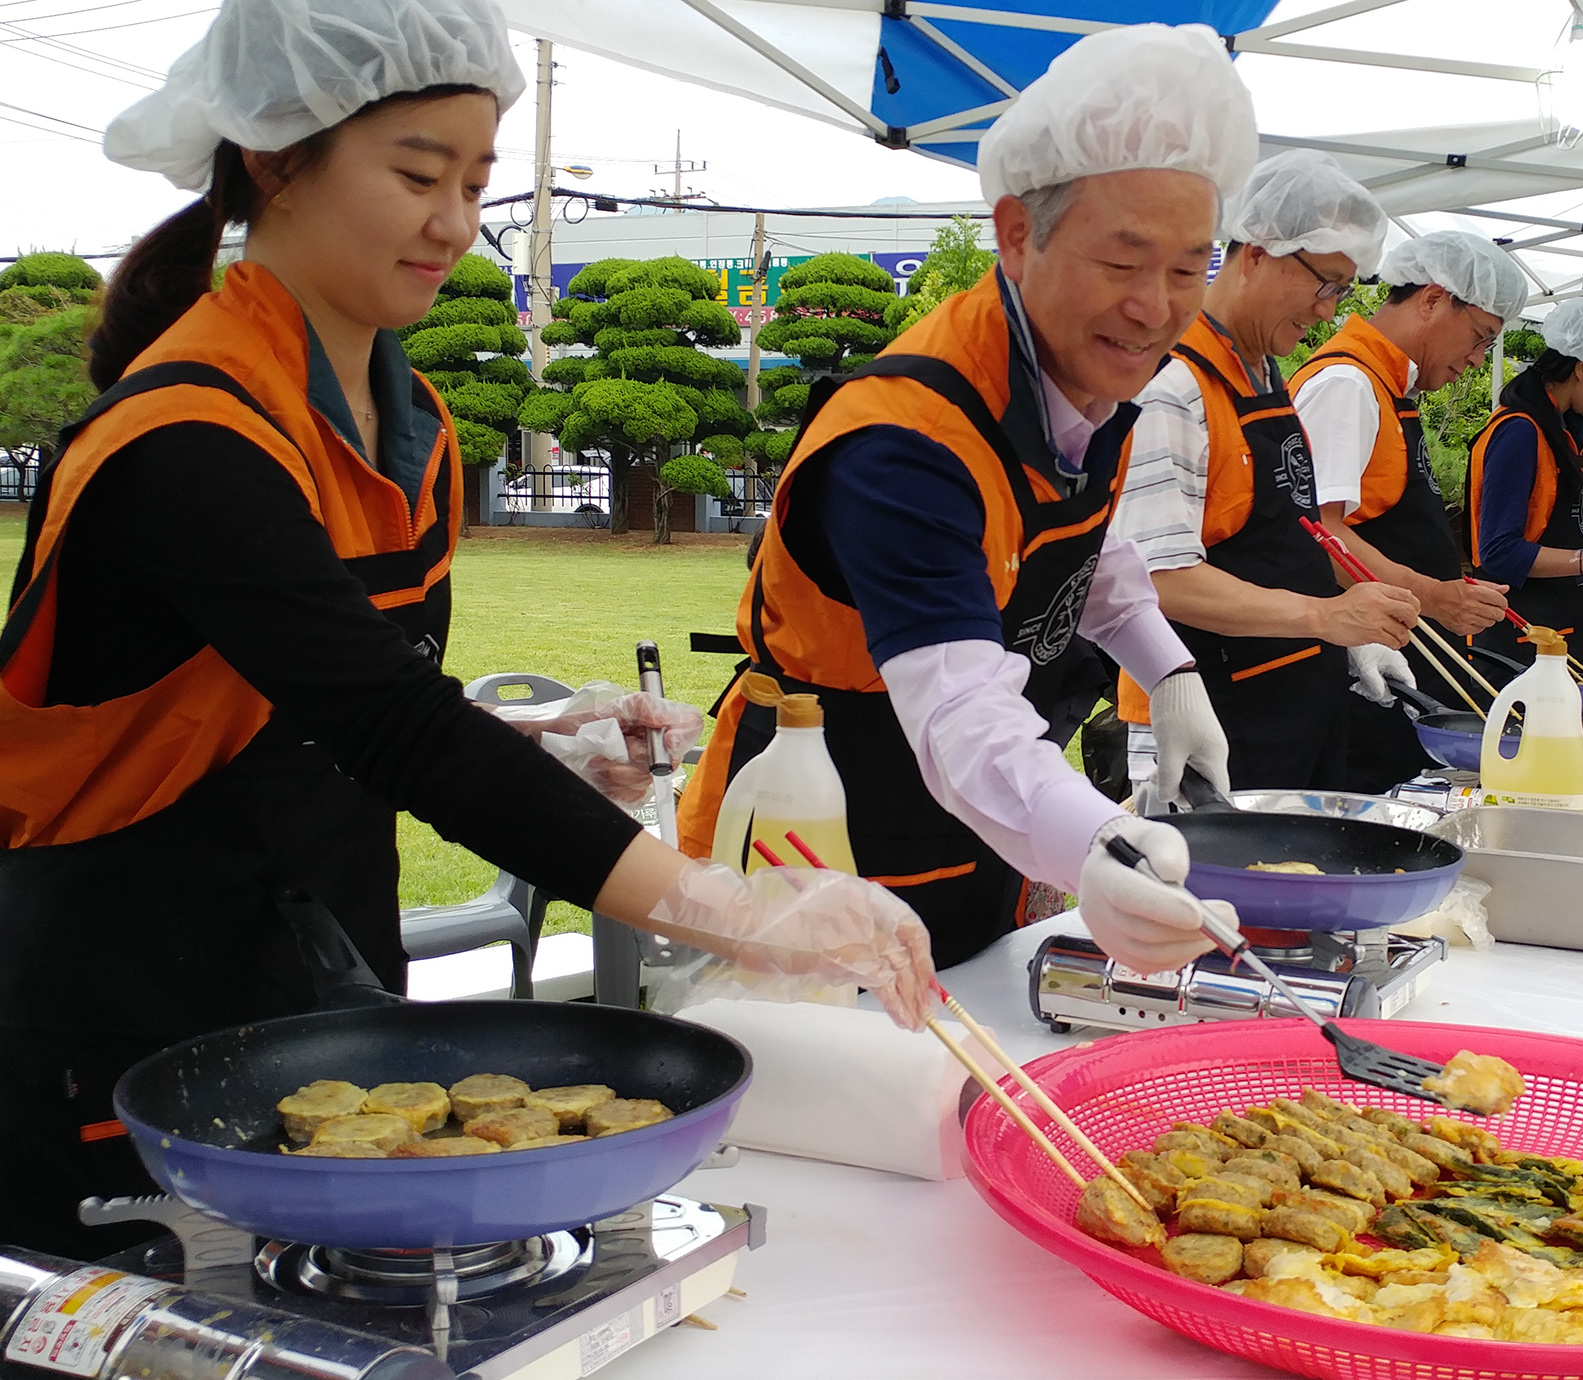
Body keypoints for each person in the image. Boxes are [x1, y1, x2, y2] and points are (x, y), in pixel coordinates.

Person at [0, 0, 934, 1262]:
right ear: (278, 160)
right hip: (119, 1006)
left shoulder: (414, 425)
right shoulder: (183, 438)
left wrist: (533, 745)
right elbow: (392, 726)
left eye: (478, 181)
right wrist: (722, 907)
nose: (455, 223)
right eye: (416, 173)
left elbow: (329, 699)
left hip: (320, 982)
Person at [678, 24, 1259, 972]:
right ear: (1018, 234)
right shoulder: (903, 443)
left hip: (973, 818)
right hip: (817, 811)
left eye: (1190, 266)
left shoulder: (1088, 381)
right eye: (1123, 262)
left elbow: (1081, 546)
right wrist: (1091, 846)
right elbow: (956, 713)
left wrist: (1170, 672)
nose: (1157, 306)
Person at [1111, 150, 1420, 807]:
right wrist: (1325, 616)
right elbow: (1159, 579)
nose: (1331, 309)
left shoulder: (1265, 374)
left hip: (1294, 700)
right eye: (1325, 283)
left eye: (1344, 290)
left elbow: (1294, 534)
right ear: (1256, 252)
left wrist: (1347, 635)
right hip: (1203, 717)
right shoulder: (1172, 383)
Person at [1289, 231, 1530, 790]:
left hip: (1397, 659)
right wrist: (1437, 595)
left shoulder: (1389, 387)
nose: (1475, 361)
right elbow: (1320, 534)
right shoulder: (1347, 383)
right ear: (1432, 298)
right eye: (1479, 338)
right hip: (1357, 673)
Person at [1466, 296, 1583, 670]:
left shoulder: (1564, 432)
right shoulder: (1520, 431)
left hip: (1557, 632)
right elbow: (1499, 552)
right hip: (1516, 639)